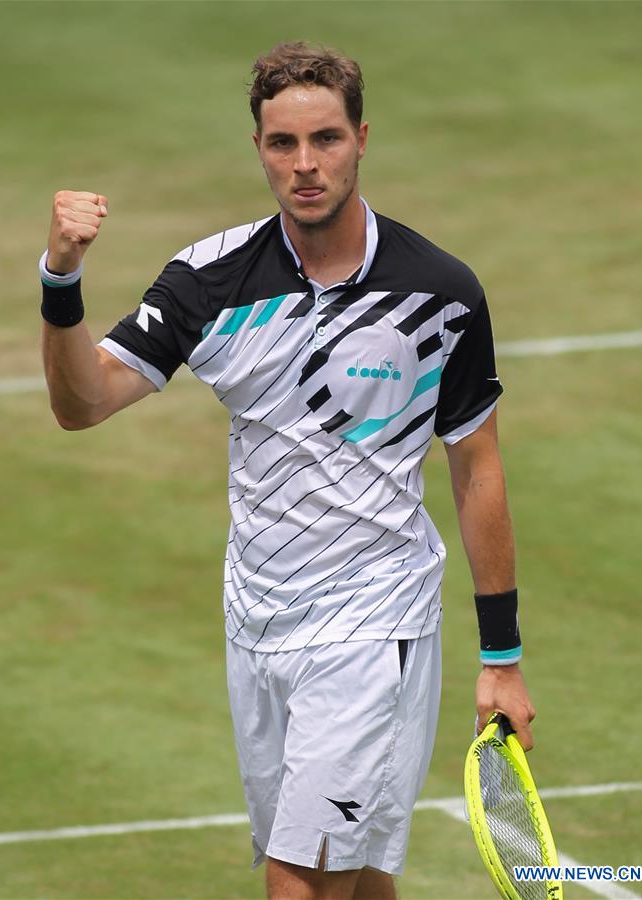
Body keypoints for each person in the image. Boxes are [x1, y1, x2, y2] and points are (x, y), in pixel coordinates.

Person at [40, 41, 535, 900]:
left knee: (297, 880)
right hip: (258, 620)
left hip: (375, 620)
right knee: (358, 873)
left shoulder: (440, 291)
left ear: (362, 138)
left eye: (327, 139)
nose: (306, 166)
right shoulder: (209, 280)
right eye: (283, 144)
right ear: (260, 148)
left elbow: (477, 468)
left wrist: (502, 656)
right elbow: (82, 403)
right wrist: (61, 277)